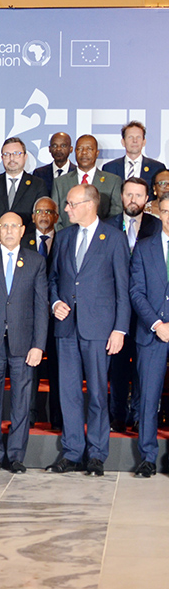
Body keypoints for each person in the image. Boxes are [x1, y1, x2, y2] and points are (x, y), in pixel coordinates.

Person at [47, 184, 130, 476]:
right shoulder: (65, 236)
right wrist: (55, 301)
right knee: (68, 393)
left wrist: (120, 329)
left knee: (96, 394)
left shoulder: (115, 239)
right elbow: (52, 278)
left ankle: (96, 454)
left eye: (70, 204)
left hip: (99, 329)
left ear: (89, 204)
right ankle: (72, 453)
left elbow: (123, 288)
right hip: (66, 328)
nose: (66, 209)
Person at [0, 212, 48, 473]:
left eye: (15, 226)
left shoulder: (36, 261)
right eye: (5, 226)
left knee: (22, 401)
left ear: (23, 230)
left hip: (24, 344)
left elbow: (40, 306)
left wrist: (38, 345)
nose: (10, 231)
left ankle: (15, 455)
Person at [105, 177, 160, 433]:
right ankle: (117, 414)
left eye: (139, 196)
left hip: (147, 308)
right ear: (121, 196)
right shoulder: (107, 226)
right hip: (115, 308)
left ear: (147, 200)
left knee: (142, 366)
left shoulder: (157, 226)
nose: (133, 200)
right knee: (117, 366)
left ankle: (138, 415)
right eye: (129, 194)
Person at [127, 192, 169, 477]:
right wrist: (157, 323)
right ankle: (147, 457)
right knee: (148, 397)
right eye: (165, 211)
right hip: (152, 332)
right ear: (158, 213)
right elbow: (136, 292)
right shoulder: (144, 248)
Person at [29, 197, 62, 430]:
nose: (44, 215)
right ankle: (28, 416)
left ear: (57, 217)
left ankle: (58, 418)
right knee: (29, 372)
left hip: (59, 319)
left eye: (49, 212)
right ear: (32, 217)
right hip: (29, 318)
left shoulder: (66, 241)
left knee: (59, 371)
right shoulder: (21, 242)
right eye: (39, 211)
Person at [0, 136, 48, 247]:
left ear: (25, 157)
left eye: (16, 153)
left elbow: (39, 218)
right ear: (2, 158)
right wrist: (2, 240)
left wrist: (17, 242)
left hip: (27, 248)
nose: (12, 158)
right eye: (7, 154)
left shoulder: (38, 184)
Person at [53, 135, 123, 230]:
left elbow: (116, 216)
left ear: (97, 153)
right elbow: (55, 216)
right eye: (80, 149)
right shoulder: (60, 182)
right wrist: (66, 238)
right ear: (75, 152)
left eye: (89, 149)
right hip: (68, 240)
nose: (84, 152)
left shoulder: (113, 181)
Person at [103, 121, 166, 191]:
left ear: (144, 142)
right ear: (123, 142)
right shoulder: (109, 168)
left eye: (138, 137)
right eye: (130, 137)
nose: (135, 141)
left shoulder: (157, 168)